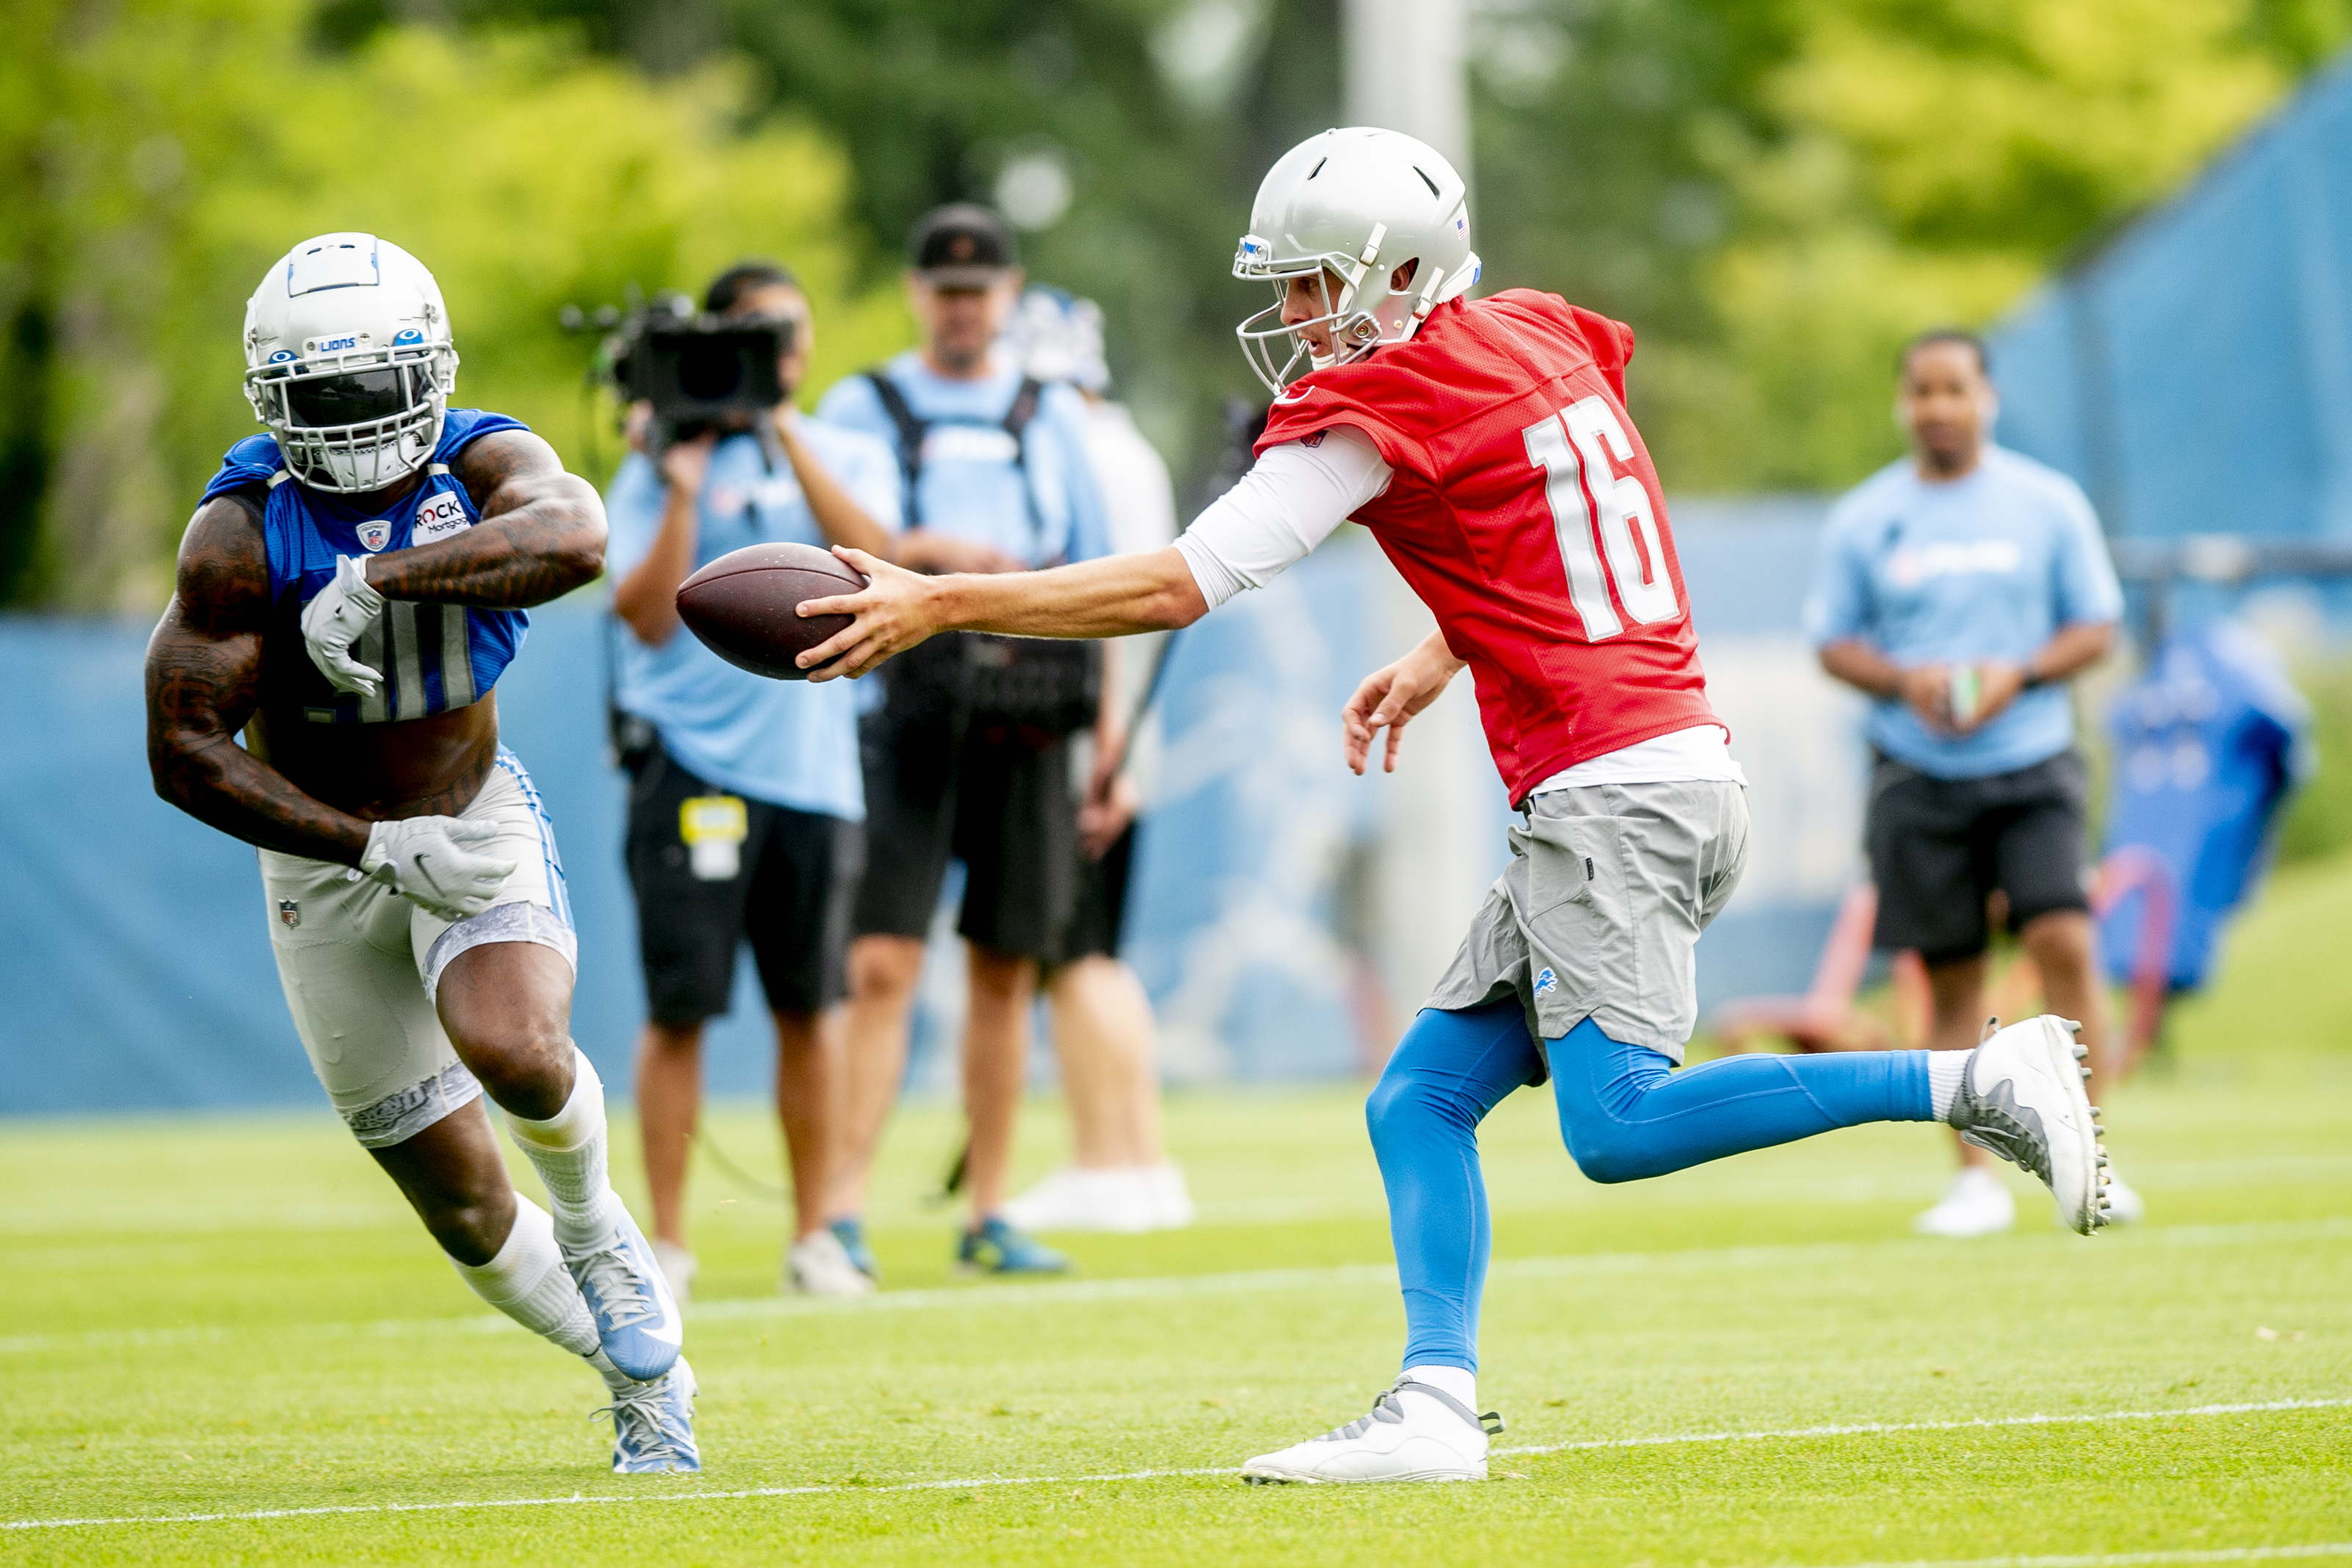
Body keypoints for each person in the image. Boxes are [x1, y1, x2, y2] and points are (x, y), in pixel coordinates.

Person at [789, 129, 2115, 1484]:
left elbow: (1180, 583)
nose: (1295, 317)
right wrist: (1442, 649)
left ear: (1400, 272)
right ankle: (1433, 1401)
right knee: (1419, 1096)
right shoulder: (1538, 330)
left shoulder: (1382, 402)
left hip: (1616, 793)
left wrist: (938, 597)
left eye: (1313, 285)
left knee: (1617, 1124)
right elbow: (1551, 523)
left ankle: (1966, 1075)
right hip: (1647, 772)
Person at [144, 233, 693, 1472]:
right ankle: (643, 1380)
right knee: (462, 1206)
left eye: (370, 388)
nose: (348, 423)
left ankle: (603, 1229)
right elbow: (184, 749)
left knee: (515, 1045)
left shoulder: (485, 455)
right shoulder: (236, 534)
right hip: (324, 860)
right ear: (270, 398)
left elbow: (574, 538)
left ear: (434, 370)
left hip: (475, 812)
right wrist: (369, 844)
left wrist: (381, 581)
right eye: (319, 397)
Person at [815, 206, 1113, 1276]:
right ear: (915, 293)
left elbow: (1098, 578)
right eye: (945, 290)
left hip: (1032, 707)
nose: (961, 307)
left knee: (1006, 964)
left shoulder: (1055, 414)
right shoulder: (861, 404)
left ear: (1008, 293)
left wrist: (1110, 746)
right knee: (882, 959)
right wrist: (928, 554)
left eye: (979, 289)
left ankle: (986, 1208)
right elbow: (833, 551)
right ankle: (839, 1209)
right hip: (906, 706)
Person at [606, 261, 901, 1301]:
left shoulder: (843, 444)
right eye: (753, 334)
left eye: (789, 331)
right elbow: (640, 611)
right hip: (693, 765)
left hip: (816, 774)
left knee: (811, 1006)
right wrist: (683, 482)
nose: (774, 349)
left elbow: (882, 561)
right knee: (680, 1006)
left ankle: (818, 1231)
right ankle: (670, 1242)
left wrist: (783, 428)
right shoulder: (660, 457)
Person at [1808, 329, 2138, 1237]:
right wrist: (1902, 680)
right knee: (1951, 972)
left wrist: (2018, 674)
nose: (1938, 407)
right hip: (1915, 772)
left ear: (1985, 398)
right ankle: (1974, 1180)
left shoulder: (2045, 503)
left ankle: (2092, 1158)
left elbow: (2095, 626)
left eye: (1954, 389)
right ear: (1901, 403)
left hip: (2031, 760)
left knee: (2062, 938)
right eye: (1921, 391)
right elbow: (1832, 642)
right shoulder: (1867, 517)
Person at [998, 287, 1193, 1234]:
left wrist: (1103, 749)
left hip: (1090, 733)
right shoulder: (1130, 447)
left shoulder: (1077, 451)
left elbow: (1101, 609)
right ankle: (1137, 1159)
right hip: (1120, 731)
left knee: (1072, 956)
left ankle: (1106, 1160)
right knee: (1094, 955)